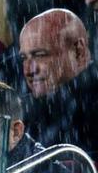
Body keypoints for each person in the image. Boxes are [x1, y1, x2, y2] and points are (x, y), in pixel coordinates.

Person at [18, 9, 98, 155]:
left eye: (40, 55)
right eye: (24, 58)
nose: (29, 70)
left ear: (78, 51)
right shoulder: (24, 109)